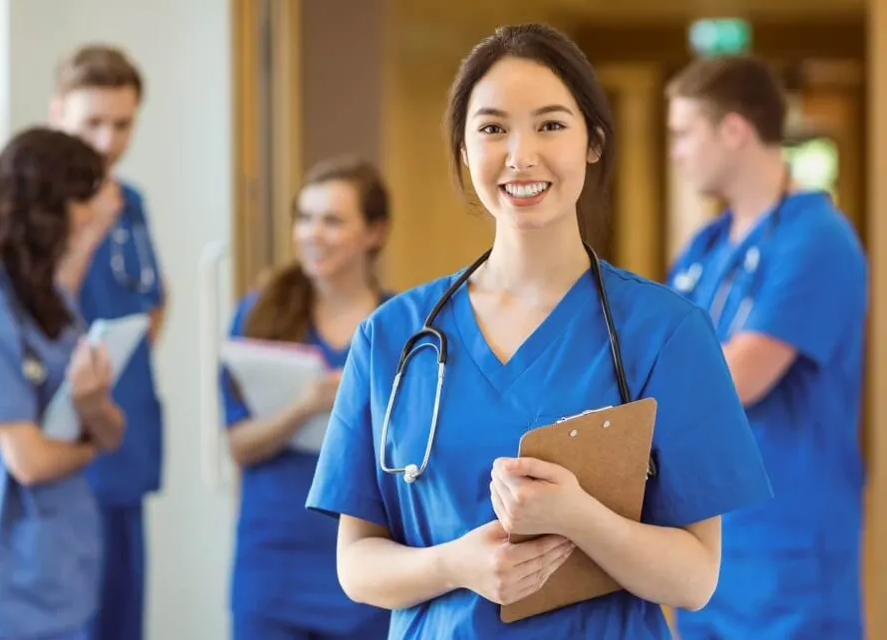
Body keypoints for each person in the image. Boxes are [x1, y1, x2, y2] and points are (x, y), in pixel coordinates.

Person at [303, 23, 774, 640]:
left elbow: (694, 578)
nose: (520, 156)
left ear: (593, 143)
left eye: (550, 124)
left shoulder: (667, 334)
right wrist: (457, 565)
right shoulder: (392, 336)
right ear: (464, 152)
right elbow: (356, 564)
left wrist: (579, 517)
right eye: (493, 128)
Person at [0, 44, 168, 640]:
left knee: (118, 616)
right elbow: (36, 312)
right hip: (47, 456)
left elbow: (154, 293)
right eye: (92, 123)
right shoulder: (9, 217)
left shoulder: (130, 205)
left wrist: (121, 353)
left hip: (115, 439)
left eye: (123, 124)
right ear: (58, 114)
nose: (107, 142)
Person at [665, 55, 869, 639]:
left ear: (733, 131)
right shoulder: (706, 245)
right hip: (710, 549)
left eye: (683, 133)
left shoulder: (817, 239)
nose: (676, 151)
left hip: (787, 553)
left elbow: (737, 379)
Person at [0, 127, 126, 640]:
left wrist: (91, 406)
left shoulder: (52, 301)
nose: (93, 214)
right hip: (0, 556)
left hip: (58, 557)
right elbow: (30, 461)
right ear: (50, 206)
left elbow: (111, 433)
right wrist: (87, 443)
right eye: (85, 199)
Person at [219, 156, 393, 639]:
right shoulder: (258, 318)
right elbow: (239, 445)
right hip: (272, 566)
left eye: (332, 220)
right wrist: (306, 407)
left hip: (367, 565)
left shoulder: (400, 328)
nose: (313, 233)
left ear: (374, 233)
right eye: (305, 217)